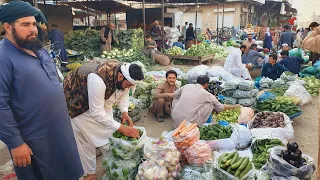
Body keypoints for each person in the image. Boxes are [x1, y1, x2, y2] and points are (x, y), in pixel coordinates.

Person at [0, 1, 84, 179]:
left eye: (33, 24)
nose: (33, 29)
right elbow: (1, 105)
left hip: (59, 130)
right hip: (34, 140)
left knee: (67, 171)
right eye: (25, 24)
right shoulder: (3, 58)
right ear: (8, 27)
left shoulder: (37, 49)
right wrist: (15, 143)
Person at [63, 61, 144, 180]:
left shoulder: (126, 75)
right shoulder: (98, 80)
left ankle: (111, 166)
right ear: (120, 76)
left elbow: (124, 93)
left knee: (108, 135)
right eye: (128, 85)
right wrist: (122, 128)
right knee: (86, 141)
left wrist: (124, 112)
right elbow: (96, 112)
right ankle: (89, 174)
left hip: (100, 102)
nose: (129, 88)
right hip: (79, 104)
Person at [171, 76, 241, 127]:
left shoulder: (187, 86)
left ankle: (178, 116)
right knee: (211, 104)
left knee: (177, 97)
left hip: (174, 118)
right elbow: (221, 107)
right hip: (188, 122)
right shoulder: (206, 94)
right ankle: (198, 125)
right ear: (206, 84)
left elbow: (175, 95)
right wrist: (236, 106)